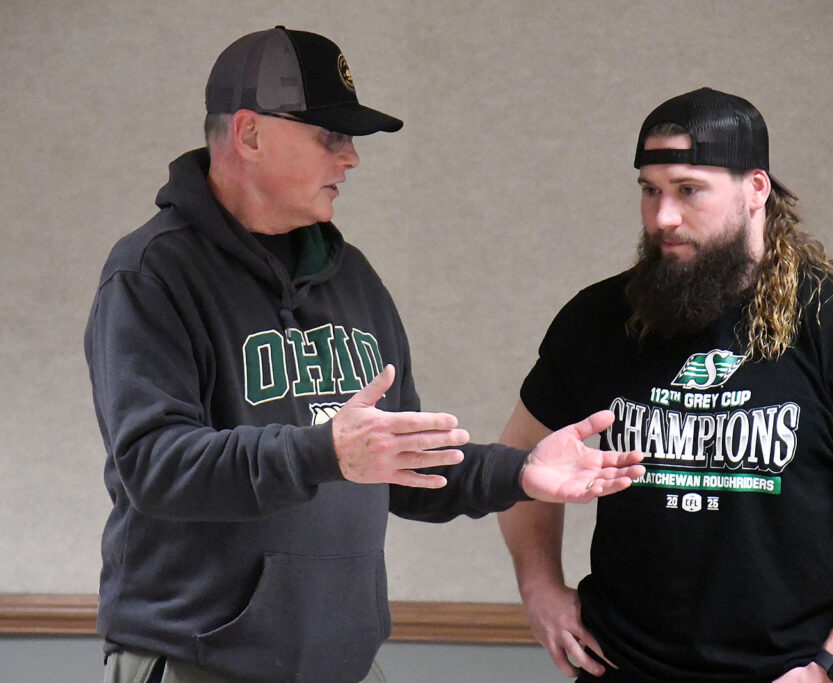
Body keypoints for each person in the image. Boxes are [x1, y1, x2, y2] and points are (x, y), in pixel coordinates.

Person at [84, 26, 644, 683]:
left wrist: (520, 472)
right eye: (331, 136)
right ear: (249, 134)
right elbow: (153, 465)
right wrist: (326, 451)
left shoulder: (352, 277)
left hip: (344, 664)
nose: (351, 158)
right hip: (197, 661)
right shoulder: (152, 274)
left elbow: (402, 464)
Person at [498, 88, 833, 683]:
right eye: (650, 190)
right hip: (621, 666)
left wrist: (831, 669)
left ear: (756, 188)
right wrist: (539, 589)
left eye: (689, 190)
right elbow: (518, 460)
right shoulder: (598, 319)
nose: (663, 216)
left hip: (784, 673)